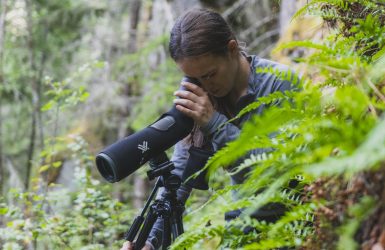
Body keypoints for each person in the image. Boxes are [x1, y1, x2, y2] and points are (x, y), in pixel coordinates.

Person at [121, 8, 297, 250]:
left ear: (232, 49)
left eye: (210, 74)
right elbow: (181, 175)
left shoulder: (280, 84)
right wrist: (150, 241)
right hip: (242, 229)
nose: (205, 86)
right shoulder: (206, 98)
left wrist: (214, 123)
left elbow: (278, 173)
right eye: (194, 79)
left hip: (294, 225)